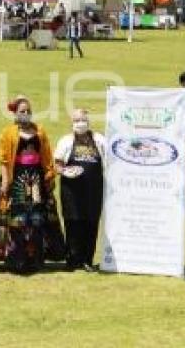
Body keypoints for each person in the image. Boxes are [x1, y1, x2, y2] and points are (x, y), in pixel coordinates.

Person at [0, 96, 65, 273]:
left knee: (36, 219)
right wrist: (5, 181)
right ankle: (16, 259)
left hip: (36, 181)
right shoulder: (8, 132)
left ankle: (35, 260)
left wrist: (49, 176)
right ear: (15, 113)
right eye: (22, 111)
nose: (26, 114)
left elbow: (47, 155)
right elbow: (4, 159)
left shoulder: (40, 131)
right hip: (17, 179)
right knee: (17, 220)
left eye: (28, 111)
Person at [53, 109, 106, 272]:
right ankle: (72, 259)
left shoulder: (99, 140)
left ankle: (87, 260)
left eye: (83, 120)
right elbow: (57, 164)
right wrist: (64, 171)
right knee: (73, 222)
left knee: (91, 223)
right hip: (72, 191)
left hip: (94, 190)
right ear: (72, 123)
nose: (80, 123)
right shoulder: (66, 141)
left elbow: (109, 161)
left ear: (88, 121)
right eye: (77, 120)